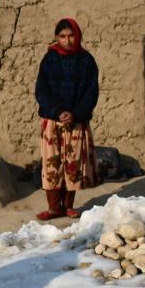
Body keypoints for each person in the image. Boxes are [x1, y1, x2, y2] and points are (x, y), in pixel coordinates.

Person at [34, 17, 100, 220]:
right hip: (53, 122)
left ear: (77, 36)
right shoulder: (49, 59)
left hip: (76, 122)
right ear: (56, 37)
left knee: (73, 164)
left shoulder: (87, 61)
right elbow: (41, 91)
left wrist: (75, 113)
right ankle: (54, 207)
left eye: (71, 35)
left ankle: (68, 205)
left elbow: (91, 93)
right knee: (53, 164)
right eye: (62, 36)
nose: (67, 40)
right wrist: (57, 112)